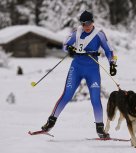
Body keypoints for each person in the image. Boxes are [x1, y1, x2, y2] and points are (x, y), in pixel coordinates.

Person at [41, 10, 117, 138]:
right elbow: (65, 45)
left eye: (88, 23)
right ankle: (50, 122)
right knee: (67, 95)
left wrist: (112, 63)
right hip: (76, 68)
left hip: (92, 69)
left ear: (92, 22)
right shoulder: (77, 32)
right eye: (83, 24)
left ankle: (100, 129)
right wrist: (69, 48)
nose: (86, 26)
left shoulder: (100, 34)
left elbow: (109, 50)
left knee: (95, 99)